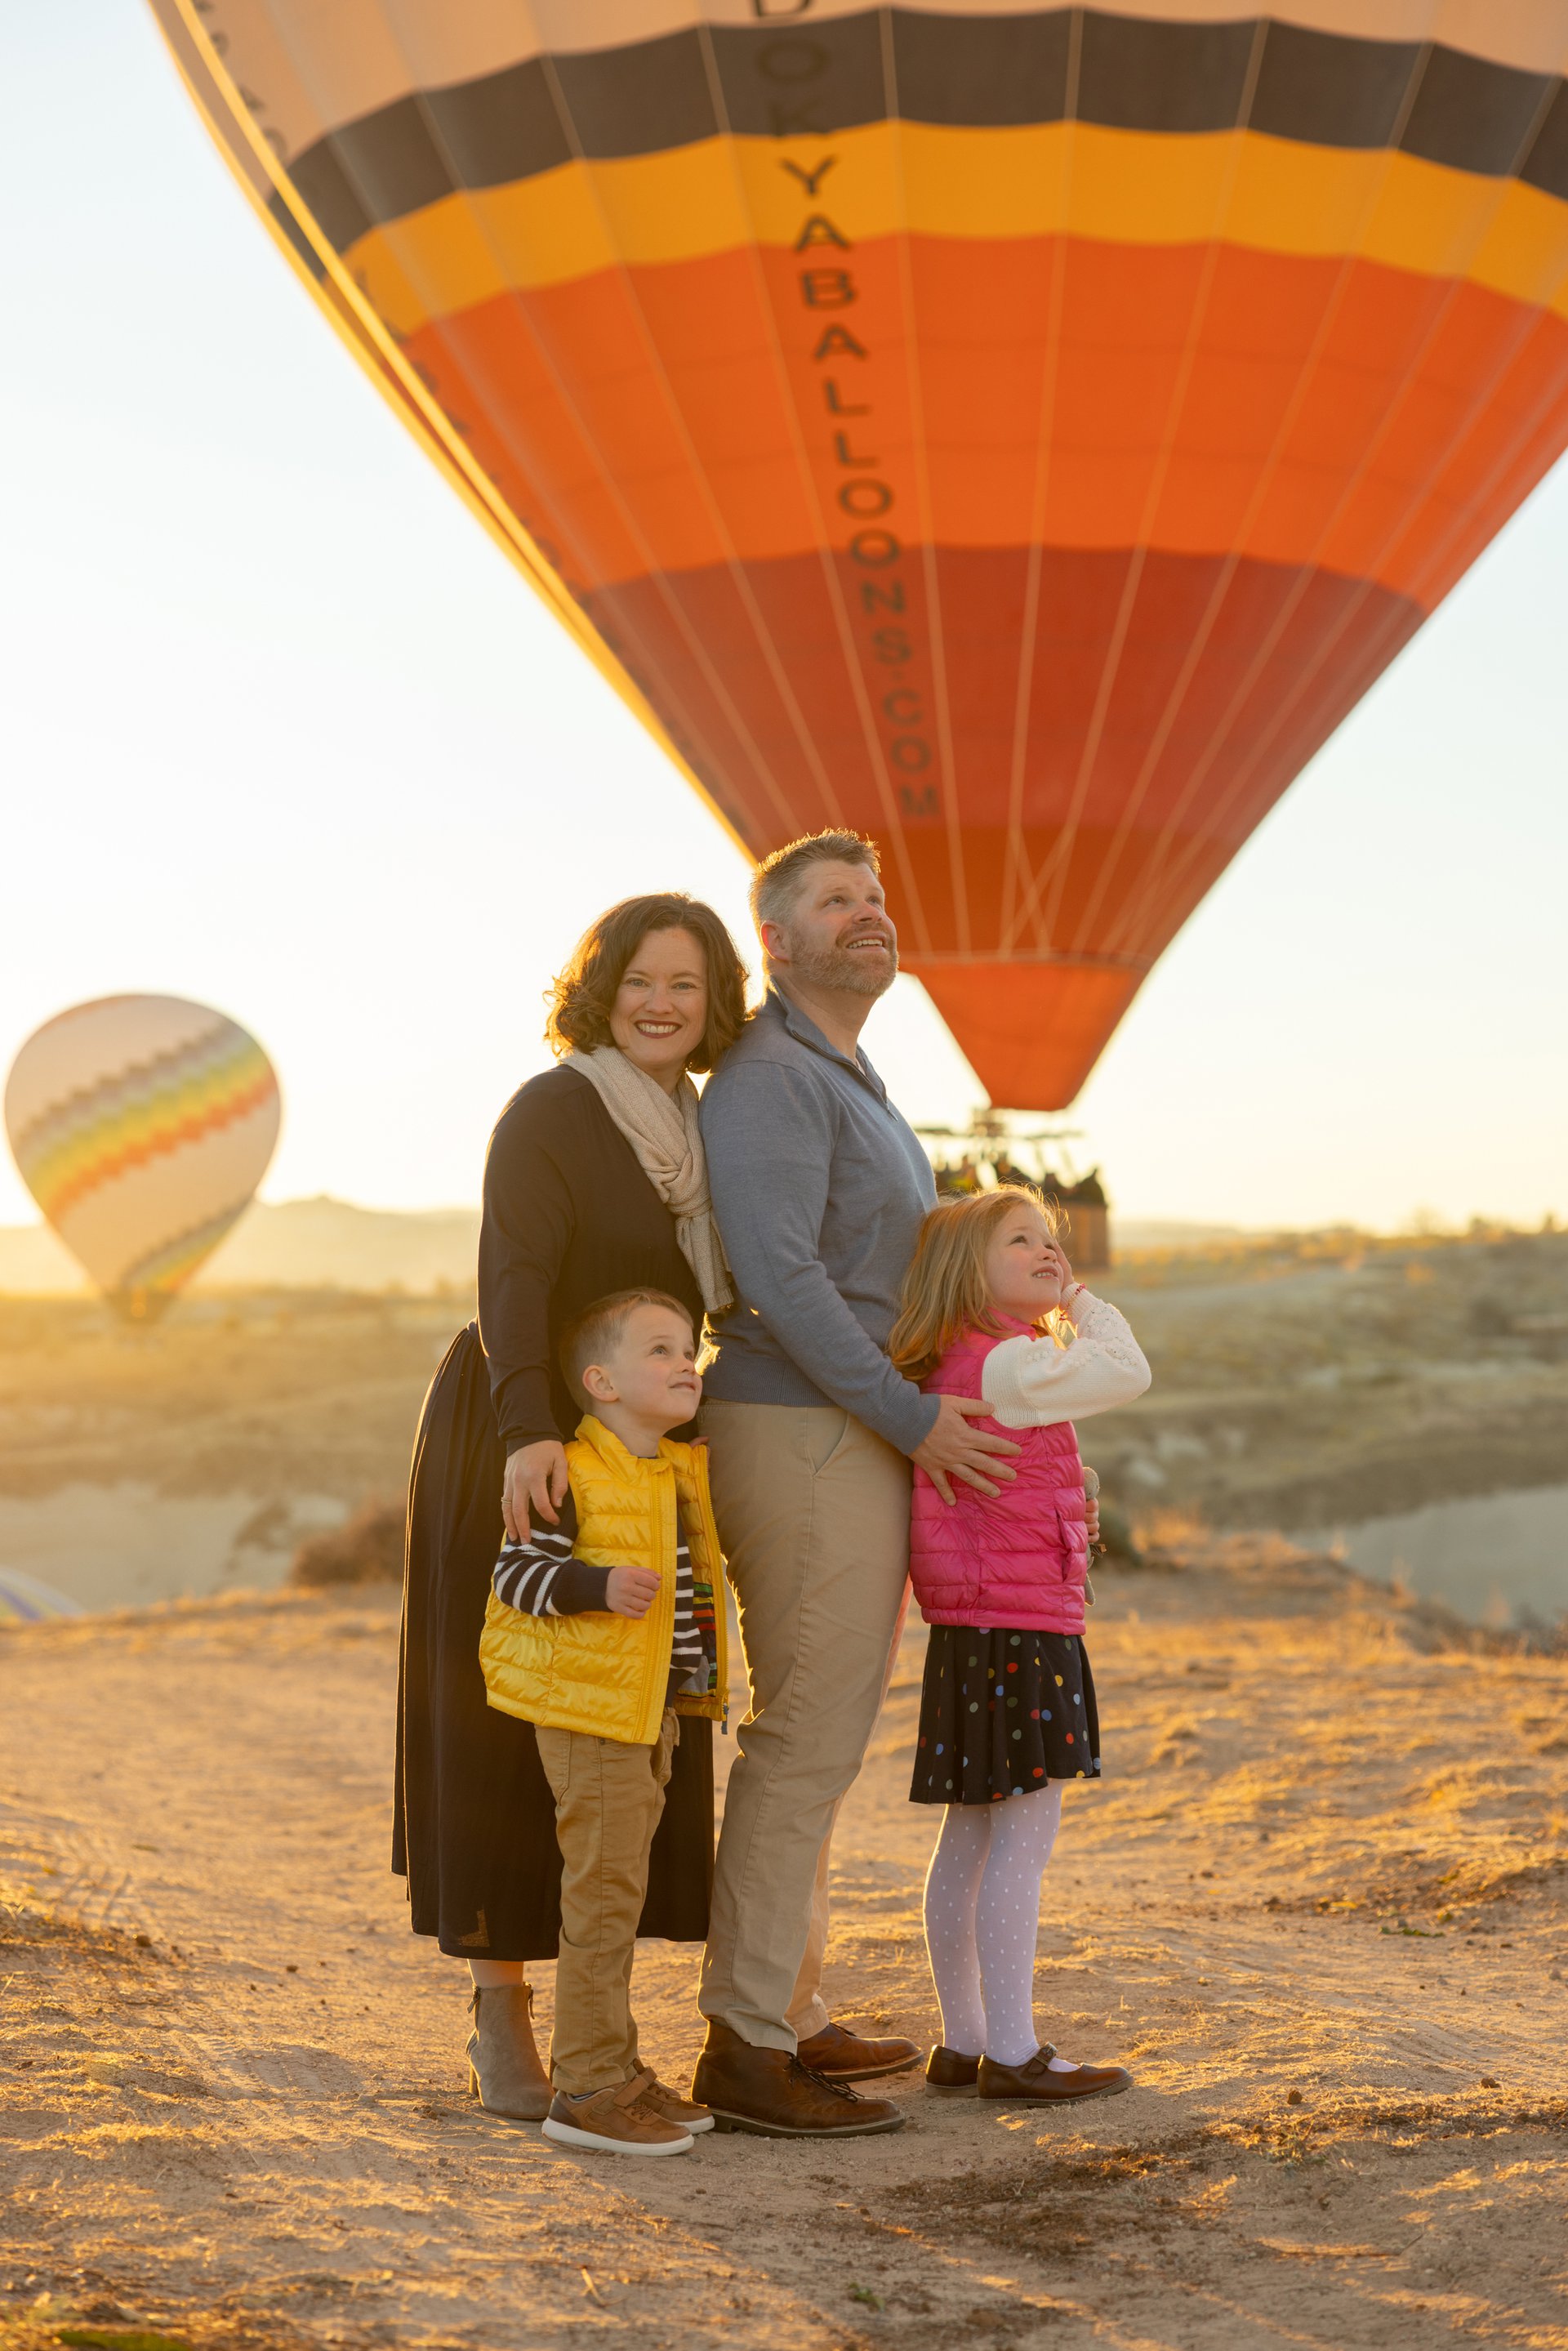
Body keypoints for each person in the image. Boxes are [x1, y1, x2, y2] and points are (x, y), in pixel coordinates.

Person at [394, 894, 748, 2120]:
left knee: (626, 1730)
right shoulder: (554, 1108)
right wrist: (528, 1428)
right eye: (639, 979)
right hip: (527, 1426)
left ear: (716, 1004)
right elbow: (514, 1274)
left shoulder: (700, 1134)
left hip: (641, 1449)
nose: (661, 1003)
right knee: (509, 1721)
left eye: (687, 984)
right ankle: (500, 2009)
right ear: (600, 990)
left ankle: (608, 2031)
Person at [691, 829, 1021, 2138]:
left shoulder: (846, 1069)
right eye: (837, 900)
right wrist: (911, 1416)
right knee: (804, 1736)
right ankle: (745, 2043)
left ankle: (789, 2005)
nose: (869, 914)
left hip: (847, 1425)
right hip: (803, 1424)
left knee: (822, 1730)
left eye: (876, 898)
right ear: (775, 940)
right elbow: (782, 1279)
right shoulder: (773, 1078)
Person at [888, 1185, 1151, 2102]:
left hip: (974, 1629)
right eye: (1020, 1241)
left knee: (971, 1831)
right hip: (1023, 1628)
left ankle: (964, 2041)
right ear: (967, 1273)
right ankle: (1013, 2050)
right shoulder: (1006, 1362)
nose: (1048, 1251)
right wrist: (1079, 1301)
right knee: (1024, 1837)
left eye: (1051, 1239)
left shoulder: (967, 1359)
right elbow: (1127, 1370)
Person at [481, 1289, 727, 2157]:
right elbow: (514, 1577)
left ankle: (616, 2070)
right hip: (591, 1719)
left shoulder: (665, 1470)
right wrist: (598, 1586)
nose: (685, 1362)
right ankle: (584, 2087)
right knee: (601, 1900)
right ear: (601, 1382)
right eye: (660, 1350)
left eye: (689, 1348)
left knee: (618, 1897)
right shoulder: (572, 1473)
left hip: (643, 1714)